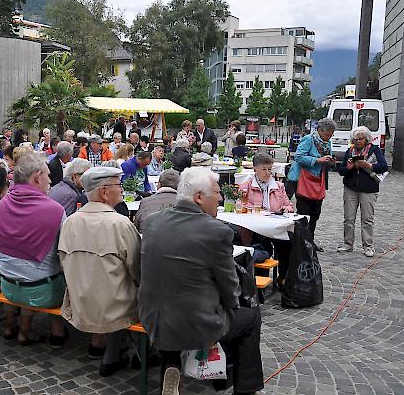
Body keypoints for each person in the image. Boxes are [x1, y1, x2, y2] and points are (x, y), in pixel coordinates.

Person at [139, 167, 264, 395]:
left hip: (153, 317)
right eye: (216, 193)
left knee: (174, 304)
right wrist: (232, 306)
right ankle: (247, 389)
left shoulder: (152, 222)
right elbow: (230, 288)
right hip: (196, 322)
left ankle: (171, 369)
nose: (220, 198)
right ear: (198, 197)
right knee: (250, 319)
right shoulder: (217, 231)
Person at [58, 166, 142, 376]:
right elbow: (138, 272)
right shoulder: (120, 224)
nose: (121, 190)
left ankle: (112, 352)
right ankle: (145, 353)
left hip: (80, 303)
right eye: (119, 185)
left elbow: (64, 264)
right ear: (105, 192)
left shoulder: (70, 222)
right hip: (114, 309)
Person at [0, 153, 68, 347]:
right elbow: (65, 253)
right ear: (37, 177)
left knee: (32, 267)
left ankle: (23, 329)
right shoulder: (55, 210)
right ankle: (57, 331)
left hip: (8, 287)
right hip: (42, 292)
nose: (50, 181)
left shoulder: (2, 205)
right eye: (48, 175)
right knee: (62, 272)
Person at [238, 153, 294, 283]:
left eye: (270, 169)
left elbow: (289, 205)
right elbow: (242, 205)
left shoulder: (279, 186)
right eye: (264, 169)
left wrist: (286, 209)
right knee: (263, 247)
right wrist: (258, 211)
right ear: (255, 169)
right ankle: (260, 279)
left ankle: (283, 277)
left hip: (275, 227)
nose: (268, 172)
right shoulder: (247, 186)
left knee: (287, 244)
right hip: (256, 228)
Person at [337, 126, 388, 257]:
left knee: (367, 219)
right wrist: (349, 167)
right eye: (355, 139)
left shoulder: (374, 150)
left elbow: (383, 166)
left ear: (366, 139)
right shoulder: (350, 151)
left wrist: (369, 165)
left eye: (361, 139)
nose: (358, 141)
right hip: (351, 188)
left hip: (368, 189)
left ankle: (368, 246)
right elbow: (341, 171)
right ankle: (348, 244)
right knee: (348, 218)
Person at [287, 117, 337, 236]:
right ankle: (301, 242)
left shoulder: (327, 143)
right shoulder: (308, 140)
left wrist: (330, 162)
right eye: (328, 134)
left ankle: (310, 241)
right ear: (319, 130)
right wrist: (317, 160)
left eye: (331, 134)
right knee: (304, 213)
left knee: (315, 213)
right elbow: (298, 157)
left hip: (319, 180)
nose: (329, 137)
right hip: (303, 180)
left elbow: (327, 158)